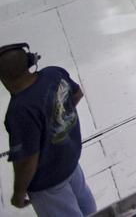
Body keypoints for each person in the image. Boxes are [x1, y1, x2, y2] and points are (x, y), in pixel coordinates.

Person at [2, 43, 96, 217]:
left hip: (47, 182)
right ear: (30, 61)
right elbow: (77, 94)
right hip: (70, 162)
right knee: (86, 205)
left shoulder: (19, 111)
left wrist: (19, 193)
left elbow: (28, 160)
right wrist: (56, 120)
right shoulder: (54, 73)